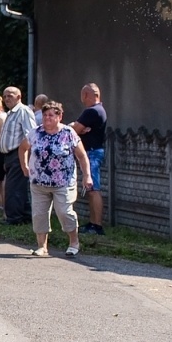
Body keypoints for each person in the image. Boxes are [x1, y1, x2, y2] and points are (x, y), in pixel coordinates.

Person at [20, 100, 91, 257]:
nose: (47, 119)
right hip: (39, 182)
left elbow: (81, 155)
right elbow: (23, 148)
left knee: (64, 212)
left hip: (63, 182)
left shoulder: (68, 133)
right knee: (39, 215)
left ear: (59, 117)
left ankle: (74, 242)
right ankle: (42, 246)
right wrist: (24, 166)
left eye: (51, 115)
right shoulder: (35, 132)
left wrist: (87, 176)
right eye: (45, 115)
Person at [72, 83, 107, 235]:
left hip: (92, 153)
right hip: (94, 151)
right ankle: (93, 223)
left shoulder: (91, 111)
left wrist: (75, 126)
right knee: (91, 188)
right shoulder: (99, 110)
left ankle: (97, 225)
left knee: (93, 188)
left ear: (86, 95)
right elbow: (78, 129)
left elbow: (73, 130)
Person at [0, 86, 35, 225]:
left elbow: (30, 135)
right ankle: (25, 216)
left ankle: (14, 219)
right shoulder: (11, 113)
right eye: (5, 96)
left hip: (18, 154)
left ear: (19, 97)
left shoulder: (23, 111)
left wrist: (26, 158)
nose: (7, 98)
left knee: (13, 188)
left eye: (10, 95)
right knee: (17, 187)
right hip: (9, 155)